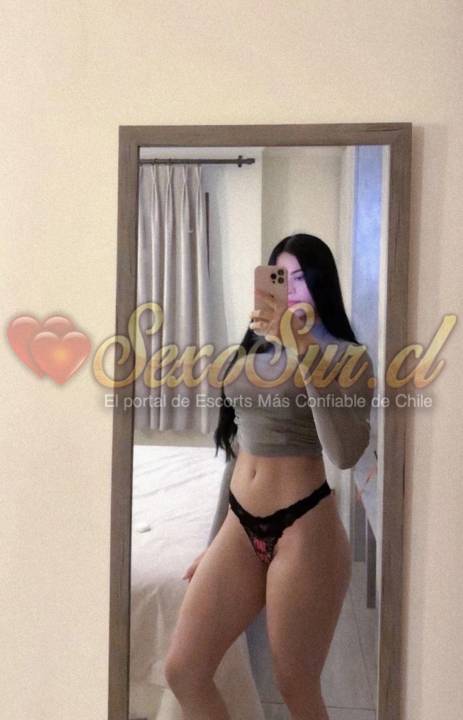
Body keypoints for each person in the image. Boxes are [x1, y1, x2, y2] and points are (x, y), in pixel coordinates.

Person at [165, 233, 375, 720]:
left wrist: (304, 349)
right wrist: (214, 541)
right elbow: (240, 449)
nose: (291, 289)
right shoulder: (251, 353)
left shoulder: (348, 357)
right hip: (239, 525)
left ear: (322, 284)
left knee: (295, 684)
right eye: (281, 277)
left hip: (305, 528)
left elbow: (344, 452)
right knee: (183, 669)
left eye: (301, 278)